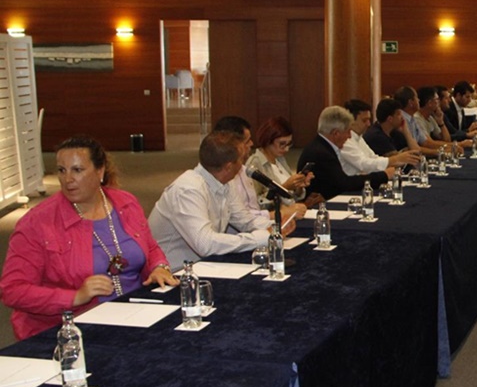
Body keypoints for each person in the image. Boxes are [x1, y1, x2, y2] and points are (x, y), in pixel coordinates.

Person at [0, 136, 177, 340]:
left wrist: (159, 267)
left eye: (77, 170)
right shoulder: (37, 223)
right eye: (61, 170)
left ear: (100, 171)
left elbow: (150, 247)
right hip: (73, 329)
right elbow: (12, 290)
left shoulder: (126, 203)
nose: (68, 179)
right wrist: (75, 297)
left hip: (138, 311)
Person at [150, 131, 280, 268]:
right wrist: (260, 238)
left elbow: (245, 221)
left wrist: (275, 227)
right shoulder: (188, 190)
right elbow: (205, 245)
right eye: (241, 160)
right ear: (228, 167)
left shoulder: (224, 182)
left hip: (204, 265)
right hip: (173, 272)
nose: (243, 166)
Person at [298, 106, 392, 199]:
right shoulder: (322, 154)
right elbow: (344, 184)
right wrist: (383, 176)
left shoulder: (322, 146)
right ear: (336, 133)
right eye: (348, 132)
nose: (349, 136)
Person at [246, 116, 318, 208]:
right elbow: (254, 203)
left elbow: (291, 197)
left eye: (289, 144)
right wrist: (285, 187)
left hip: (292, 211)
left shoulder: (280, 159)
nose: (287, 149)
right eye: (282, 144)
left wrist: (298, 186)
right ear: (268, 140)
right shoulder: (255, 163)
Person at [342, 99, 419, 174]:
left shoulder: (359, 138)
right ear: (351, 121)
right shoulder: (344, 141)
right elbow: (363, 164)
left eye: (369, 120)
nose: (368, 124)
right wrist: (395, 159)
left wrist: (397, 159)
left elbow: (373, 157)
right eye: (364, 120)